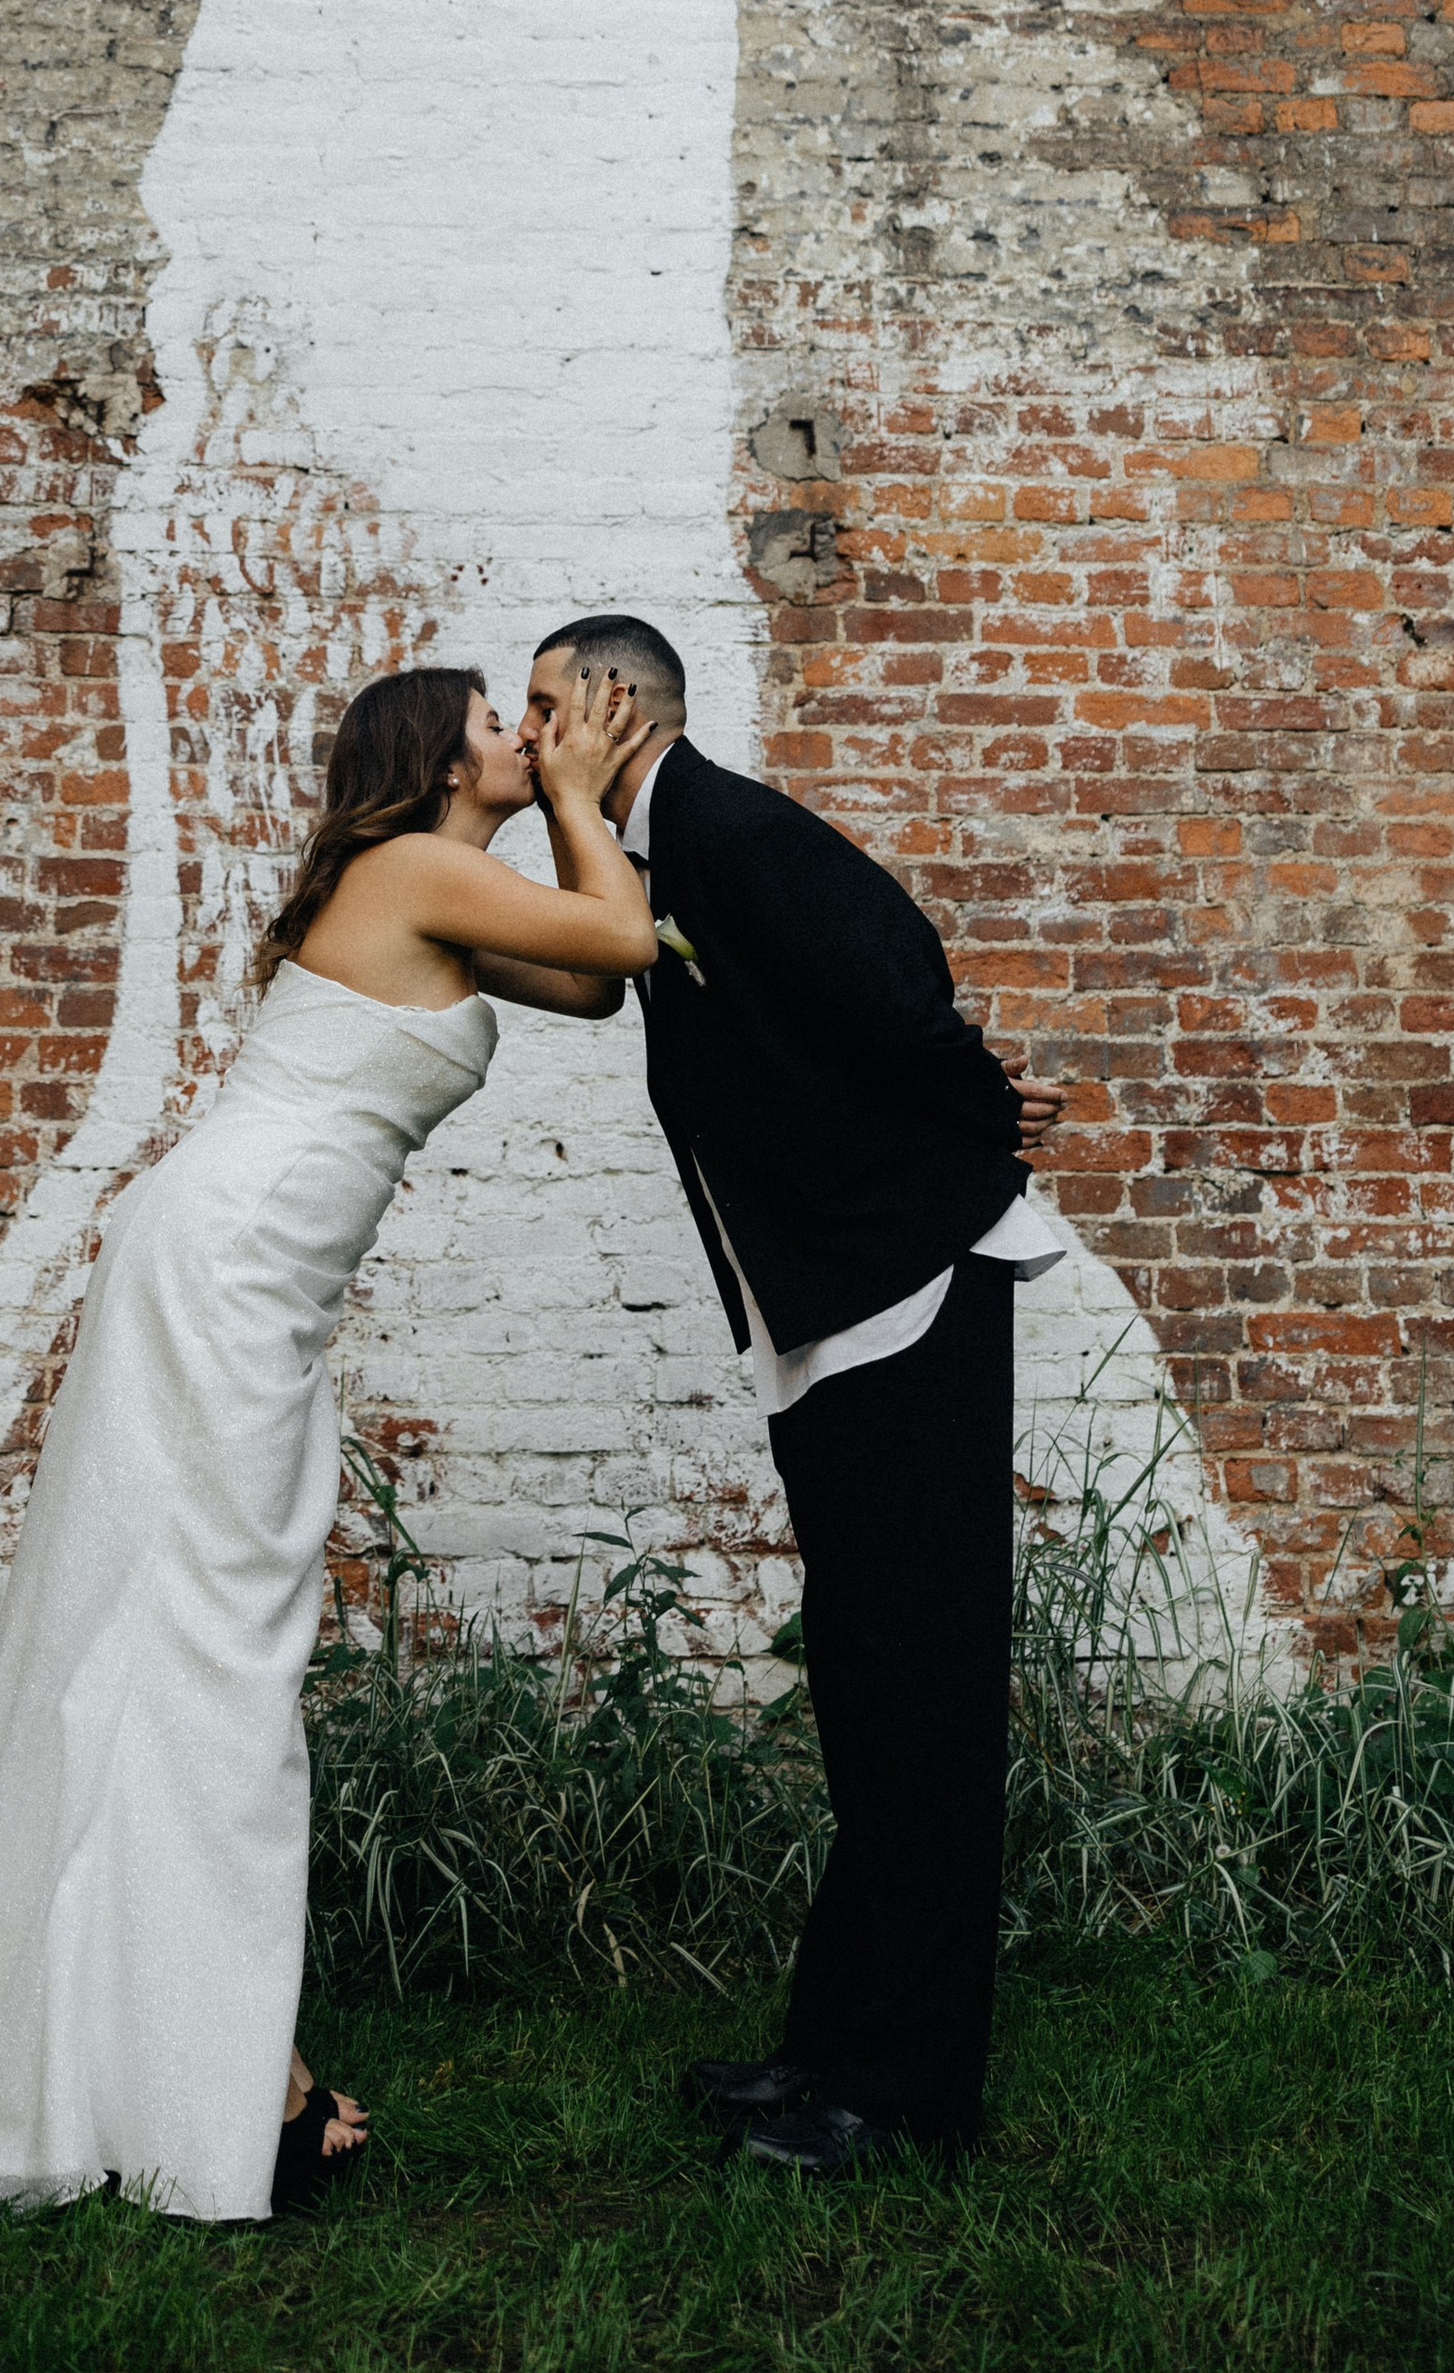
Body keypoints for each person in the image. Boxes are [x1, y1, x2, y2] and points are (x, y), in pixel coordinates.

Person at [0, 661, 655, 2221]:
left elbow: (597, 981)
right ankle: (227, 2079)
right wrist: (574, 794)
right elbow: (623, 931)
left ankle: (192, 2044)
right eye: (502, 717)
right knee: (216, 1652)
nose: (528, 732)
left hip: (233, 1273)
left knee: (191, 1645)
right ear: (429, 760)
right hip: (221, 1272)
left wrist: (561, 804)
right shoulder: (415, 867)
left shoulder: (445, 890)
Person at [522, 616, 1065, 2182]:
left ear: (620, 704)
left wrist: (979, 1111)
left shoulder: (737, 830)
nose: (534, 722)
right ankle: (833, 2045)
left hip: (903, 1293)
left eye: (553, 701)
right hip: (832, 1307)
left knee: (923, 1694)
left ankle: (907, 2097)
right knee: (865, 1683)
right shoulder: (651, 851)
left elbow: (893, 974)